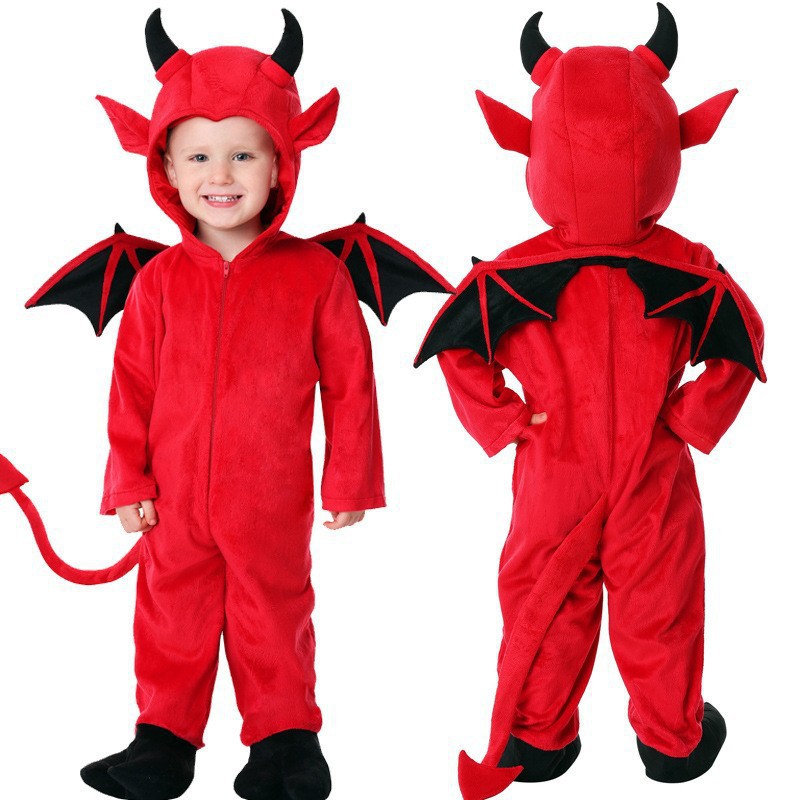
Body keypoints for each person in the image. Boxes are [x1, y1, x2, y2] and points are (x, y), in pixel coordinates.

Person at [416, 6, 764, 797]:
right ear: (670, 143)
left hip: (556, 464)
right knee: (660, 603)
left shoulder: (511, 273)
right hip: (651, 464)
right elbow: (743, 338)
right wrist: (689, 417)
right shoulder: (688, 267)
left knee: (546, 599)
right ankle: (672, 743)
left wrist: (508, 419)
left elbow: (459, 346)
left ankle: (538, 741)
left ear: (535, 146)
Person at [80, 10, 383, 800]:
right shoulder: (156, 282)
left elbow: (351, 384)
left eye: (244, 153)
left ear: (281, 163)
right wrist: (128, 480)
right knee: (168, 614)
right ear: (166, 168)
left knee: (274, 613)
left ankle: (285, 744)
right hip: (173, 497)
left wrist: (350, 480)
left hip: (270, 497)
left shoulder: (317, 275)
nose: (222, 174)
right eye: (199, 156)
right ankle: (162, 743)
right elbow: (132, 388)